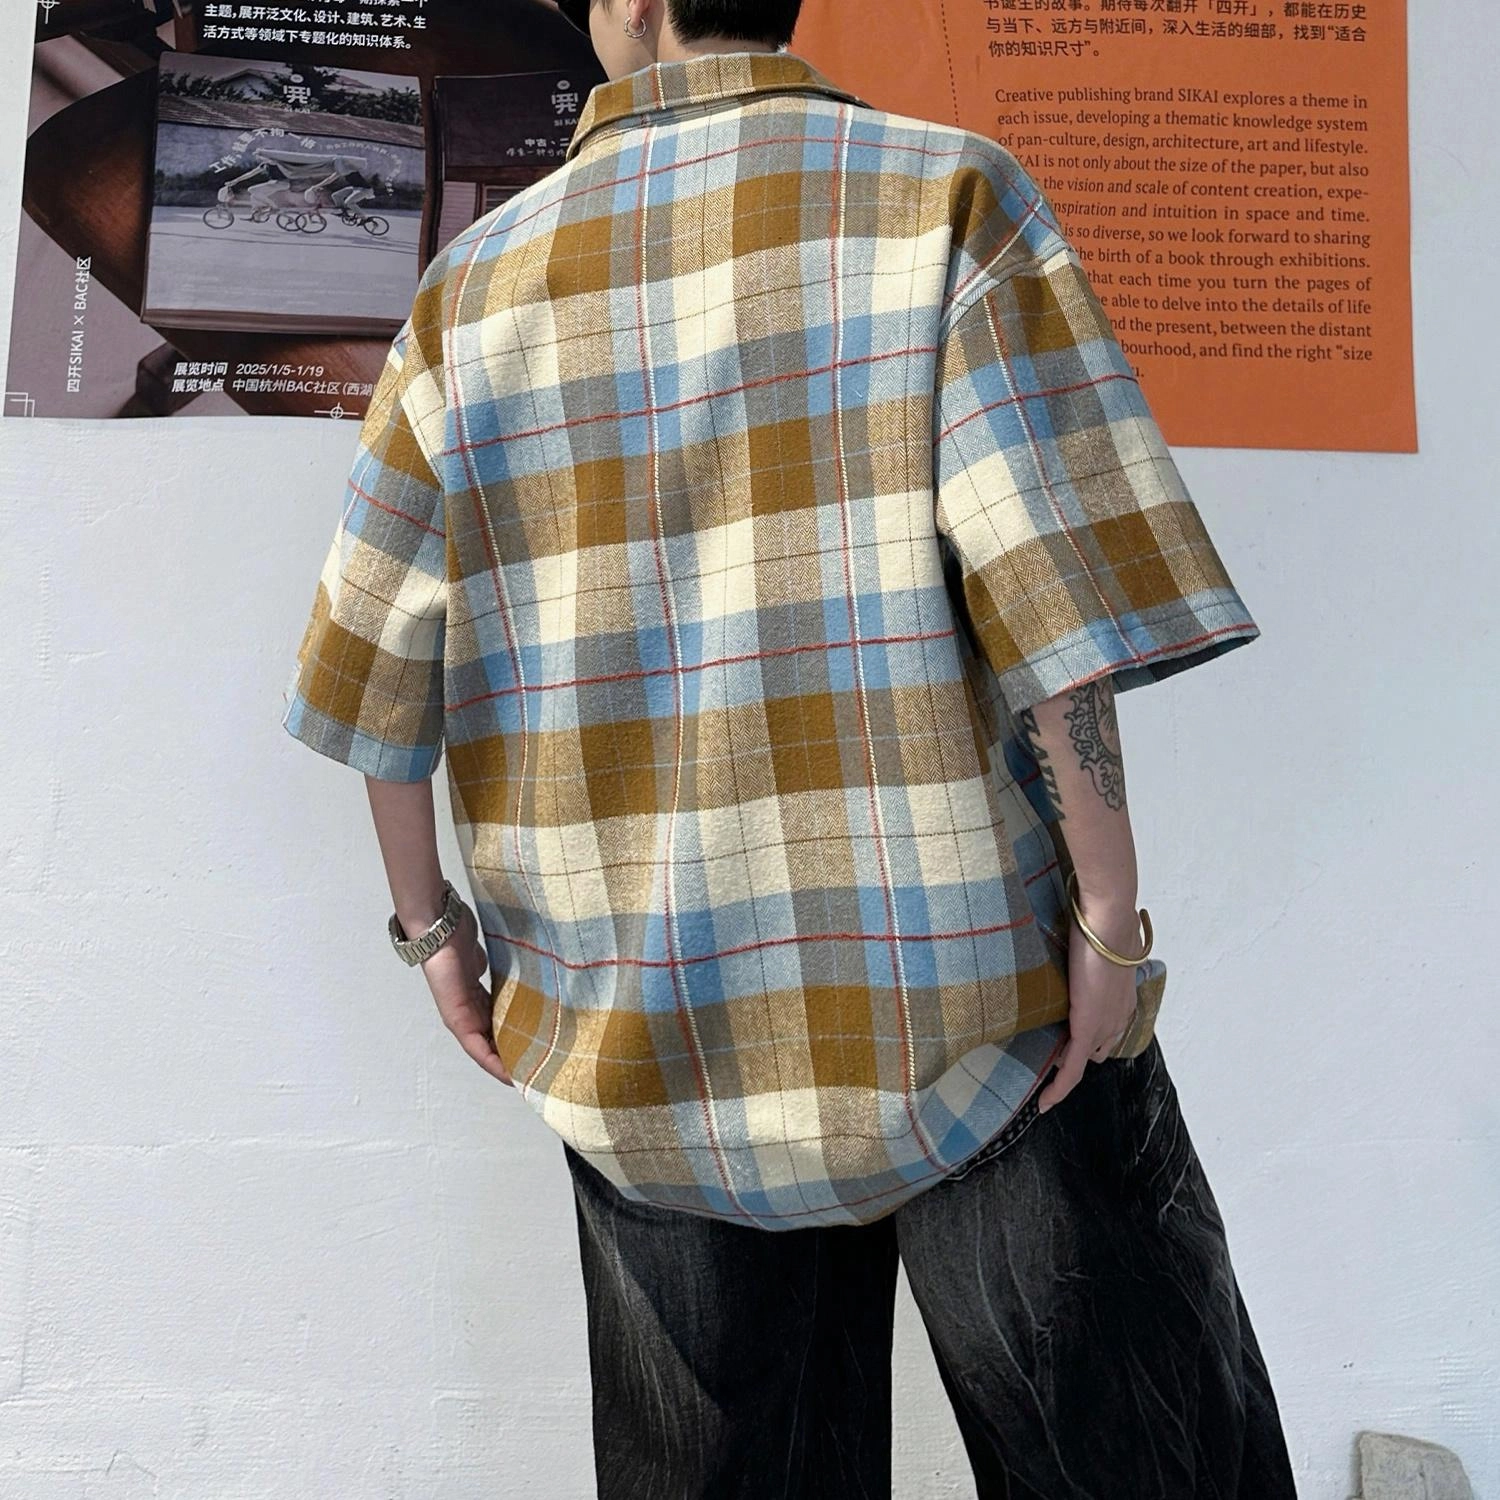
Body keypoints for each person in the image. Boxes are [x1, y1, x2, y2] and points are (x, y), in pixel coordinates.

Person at [280, 0, 1300, 1494]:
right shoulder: (943, 197)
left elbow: (381, 675)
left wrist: (431, 930)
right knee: (1135, 1457)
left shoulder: (470, 289)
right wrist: (1109, 920)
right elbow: (1055, 601)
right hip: (973, 1000)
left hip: (642, 1022)